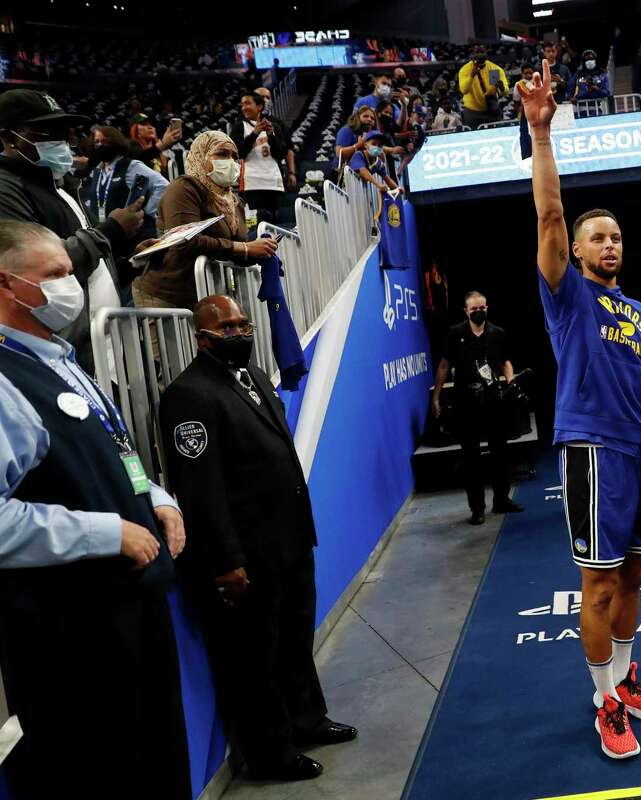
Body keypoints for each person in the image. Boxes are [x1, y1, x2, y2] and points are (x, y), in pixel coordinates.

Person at [521, 59, 641, 761]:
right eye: (597, 238)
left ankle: (623, 676)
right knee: (598, 580)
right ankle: (602, 701)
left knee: (638, 573)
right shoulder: (568, 295)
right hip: (591, 448)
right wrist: (540, 133)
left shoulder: (640, 310)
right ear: (576, 251)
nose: (609, 244)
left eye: (616, 238)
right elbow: (550, 211)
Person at [0, 221, 190, 798]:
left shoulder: (63, 358)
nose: (71, 286)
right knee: (102, 773)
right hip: (69, 631)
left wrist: (153, 497)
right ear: (7, 286)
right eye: (54, 276)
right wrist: (104, 532)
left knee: (155, 762)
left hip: (131, 608)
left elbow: (116, 445)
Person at [160, 295, 357, 781]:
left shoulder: (255, 379)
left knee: (293, 642)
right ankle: (269, 753)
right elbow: (201, 490)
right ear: (201, 338)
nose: (239, 333)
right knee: (253, 661)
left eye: (243, 323)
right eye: (225, 328)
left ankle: (306, 720)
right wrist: (226, 561)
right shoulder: (190, 395)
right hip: (246, 557)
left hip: (289, 544)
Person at [0, 89, 146, 373]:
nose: (62, 140)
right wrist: (111, 230)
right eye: (46, 131)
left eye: (63, 131)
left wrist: (130, 264)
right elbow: (37, 268)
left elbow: (88, 261)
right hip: (63, 348)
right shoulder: (6, 188)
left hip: (104, 343)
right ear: (9, 138)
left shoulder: (61, 184)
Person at [134, 131, 277, 310]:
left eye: (234, 157)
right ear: (201, 156)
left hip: (206, 299)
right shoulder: (184, 188)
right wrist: (245, 248)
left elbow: (233, 251)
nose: (231, 162)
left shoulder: (234, 202)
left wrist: (260, 252)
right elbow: (185, 240)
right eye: (222, 154)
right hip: (167, 297)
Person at [432, 291, 524, 524]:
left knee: (500, 453)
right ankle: (477, 508)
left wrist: (511, 383)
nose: (478, 311)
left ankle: (501, 500)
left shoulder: (497, 333)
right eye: (474, 309)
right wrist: (437, 396)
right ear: (466, 311)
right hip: (466, 404)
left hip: (494, 401)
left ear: (487, 307)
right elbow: (444, 366)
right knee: (470, 458)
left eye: (482, 307)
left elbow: (506, 362)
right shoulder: (455, 334)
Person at [79, 126, 168, 300]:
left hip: (135, 237)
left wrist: (147, 212)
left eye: (104, 141)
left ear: (115, 141)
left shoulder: (130, 166)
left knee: (136, 289)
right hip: (112, 236)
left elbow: (162, 186)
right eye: (96, 142)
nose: (99, 145)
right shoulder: (97, 170)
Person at [229, 93, 294, 225]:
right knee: (258, 223)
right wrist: (254, 133)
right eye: (242, 104)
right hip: (253, 183)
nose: (244, 107)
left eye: (248, 103)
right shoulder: (239, 127)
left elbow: (281, 153)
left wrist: (271, 136)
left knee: (277, 223)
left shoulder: (274, 126)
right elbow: (238, 153)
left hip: (273, 181)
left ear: (259, 106)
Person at [458, 45, 510, 128]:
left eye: (482, 52)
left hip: (491, 111)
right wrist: (471, 76)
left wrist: (502, 88)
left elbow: (502, 91)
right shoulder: (465, 70)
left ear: (486, 53)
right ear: (472, 54)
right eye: (477, 52)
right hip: (472, 113)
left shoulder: (493, 69)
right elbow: (464, 90)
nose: (480, 54)